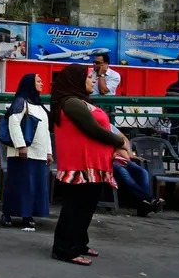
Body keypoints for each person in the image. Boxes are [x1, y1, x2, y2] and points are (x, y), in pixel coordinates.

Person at [50, 64, 125, 265]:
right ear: (76, 79)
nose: (93, 81)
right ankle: (64, 249)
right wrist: (119, 142)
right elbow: (93, 130)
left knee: (86, 207)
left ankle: (79, 243)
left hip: (92, 165)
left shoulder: (80, 101)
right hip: (79, 166)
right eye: (89, 77)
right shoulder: (71, 103)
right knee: (75, 208)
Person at [1, 74, 52, 229]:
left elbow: (45, 131)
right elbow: (14, 123)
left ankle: (27, 214)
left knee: (33, 186)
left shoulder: (40, 106)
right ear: (30, 84)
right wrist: (21, 145)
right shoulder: (21, 102)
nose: (42, 83)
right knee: (18, 185)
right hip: (23, 153)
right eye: (38, 81)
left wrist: (48, 152)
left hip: (38, 153)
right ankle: (7, 213)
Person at [110, 125, 163, 217]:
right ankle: (149, 200)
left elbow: (124, 139)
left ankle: (144, 206)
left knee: (143, 172)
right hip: (108, 161)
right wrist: (119, 147)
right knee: (123, 172)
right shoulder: (94, 129)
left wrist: (129, 153)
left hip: (121, 158)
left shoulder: (109, 126)